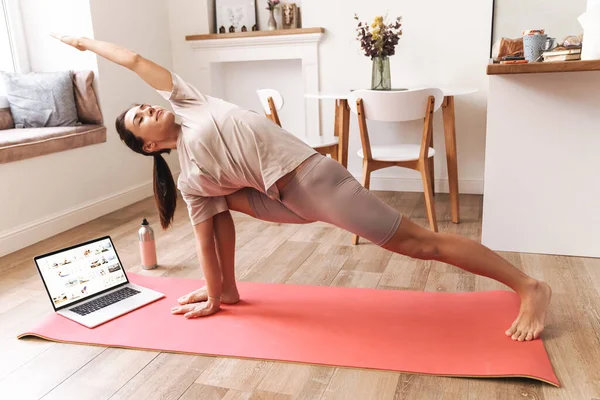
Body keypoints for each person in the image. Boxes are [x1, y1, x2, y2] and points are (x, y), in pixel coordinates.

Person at [52, 34, 551, 342]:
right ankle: (226, 289)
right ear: (147, 148)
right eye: (140, 119)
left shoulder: (187, 102)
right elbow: (206, 237)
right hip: (285, 200)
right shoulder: (191, 178)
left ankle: (530, 286)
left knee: (419, 243)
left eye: (143, 105)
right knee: (212, 202)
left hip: (317, 180)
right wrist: (213, 291)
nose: (149, 109)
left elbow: (136, 59)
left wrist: (89, 46)